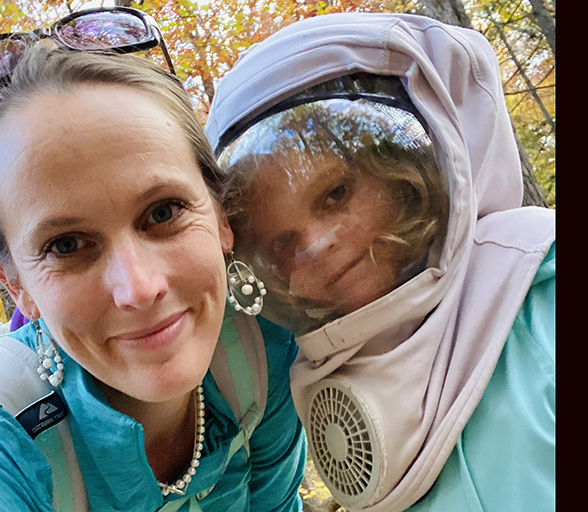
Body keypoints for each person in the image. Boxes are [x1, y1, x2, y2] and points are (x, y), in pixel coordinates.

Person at [0, 7, 306, 511]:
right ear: (15, 282)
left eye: (163, 212)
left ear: (221, 215)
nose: (140, 287)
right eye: (66, 245)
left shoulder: (264, 349)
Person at [205, 12, 554, 512]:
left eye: (336, 193)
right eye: (282, 242)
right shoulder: (317, 370)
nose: (316, 245)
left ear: (404, 174)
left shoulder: (539, 285)